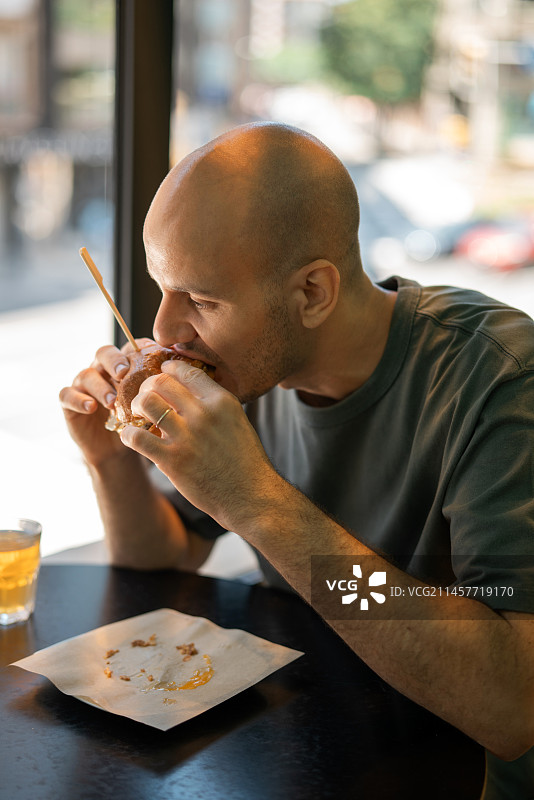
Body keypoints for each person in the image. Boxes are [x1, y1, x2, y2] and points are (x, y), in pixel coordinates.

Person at [60, 123, 534, 786]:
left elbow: (514, 704)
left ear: (312, 292)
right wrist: (109, 463)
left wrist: (257, 503)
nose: (164, 329)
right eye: (160, 288)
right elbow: (165, 557)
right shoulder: (249, 367)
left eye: (199, 299)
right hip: (311, 749)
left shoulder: (497, 380)